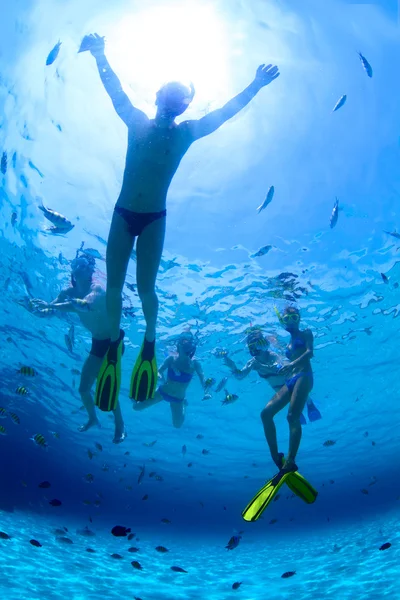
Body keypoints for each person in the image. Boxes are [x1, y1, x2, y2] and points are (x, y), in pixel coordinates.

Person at [79, 33, 280, 412]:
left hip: (154, 217)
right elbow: (115, 91)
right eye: (170, 96)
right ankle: (115, 340)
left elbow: (223, 113)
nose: (173, 103)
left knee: (146, 290)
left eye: (181, 99)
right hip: (124, 214)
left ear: (185, 104)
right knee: (115, 290)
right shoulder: (136, 121)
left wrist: (255, 84)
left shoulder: (187, 133)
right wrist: (100, 54)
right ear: (157, 97)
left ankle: (150, 341)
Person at [31, 255, 126, 444]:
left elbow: (83, 306)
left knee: (105, 388)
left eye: (85, 264)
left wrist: (51, 305)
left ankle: (120, 425)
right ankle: (92, 418)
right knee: (83, 389)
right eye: (77, 264)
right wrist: (39, 310)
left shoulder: (96, 288)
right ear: (72, 270)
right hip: (97, 342)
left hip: (113, 342)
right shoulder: (67, 290)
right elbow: (51, 310)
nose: (81, 267)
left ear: (91, 271)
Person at [223, 328, 321, 425]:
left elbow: (279, 366)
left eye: (256, 345)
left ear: (263, 344)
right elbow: (240, 376)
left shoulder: (272, 355)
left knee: (302, 396)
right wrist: (230, 363)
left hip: (291, 384)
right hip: (279, 390)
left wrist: (263, 366)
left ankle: (310, 404)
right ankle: (301, 411)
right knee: (292, 403)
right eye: (251, 347)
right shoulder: (253, 362)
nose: (254, 349)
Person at [259, 307, 314, 474]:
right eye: (287, 318)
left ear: (299, 318)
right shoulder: (288, 342)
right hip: (290, 379)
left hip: (304, 376)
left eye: (294, 317)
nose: (291, 320)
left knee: (292, 417)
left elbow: (310, 353)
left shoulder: (306, 332)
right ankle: (276, 456)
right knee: (266, 413)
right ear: (282, 321)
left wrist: (291, 364)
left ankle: (290, 460)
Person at [133, 332, 204, 428]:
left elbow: (203, 379)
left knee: (177, 425)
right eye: (184, 344)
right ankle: (138, 395)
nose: (186, 347)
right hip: (162, 392)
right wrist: (159, 377)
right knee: (136, 407)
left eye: (189, 345)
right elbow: (159, 371)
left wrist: (207, 390)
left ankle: (184, 405)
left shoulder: (194, 364)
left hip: (178, 399)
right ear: (178, 346)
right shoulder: (171, 359)